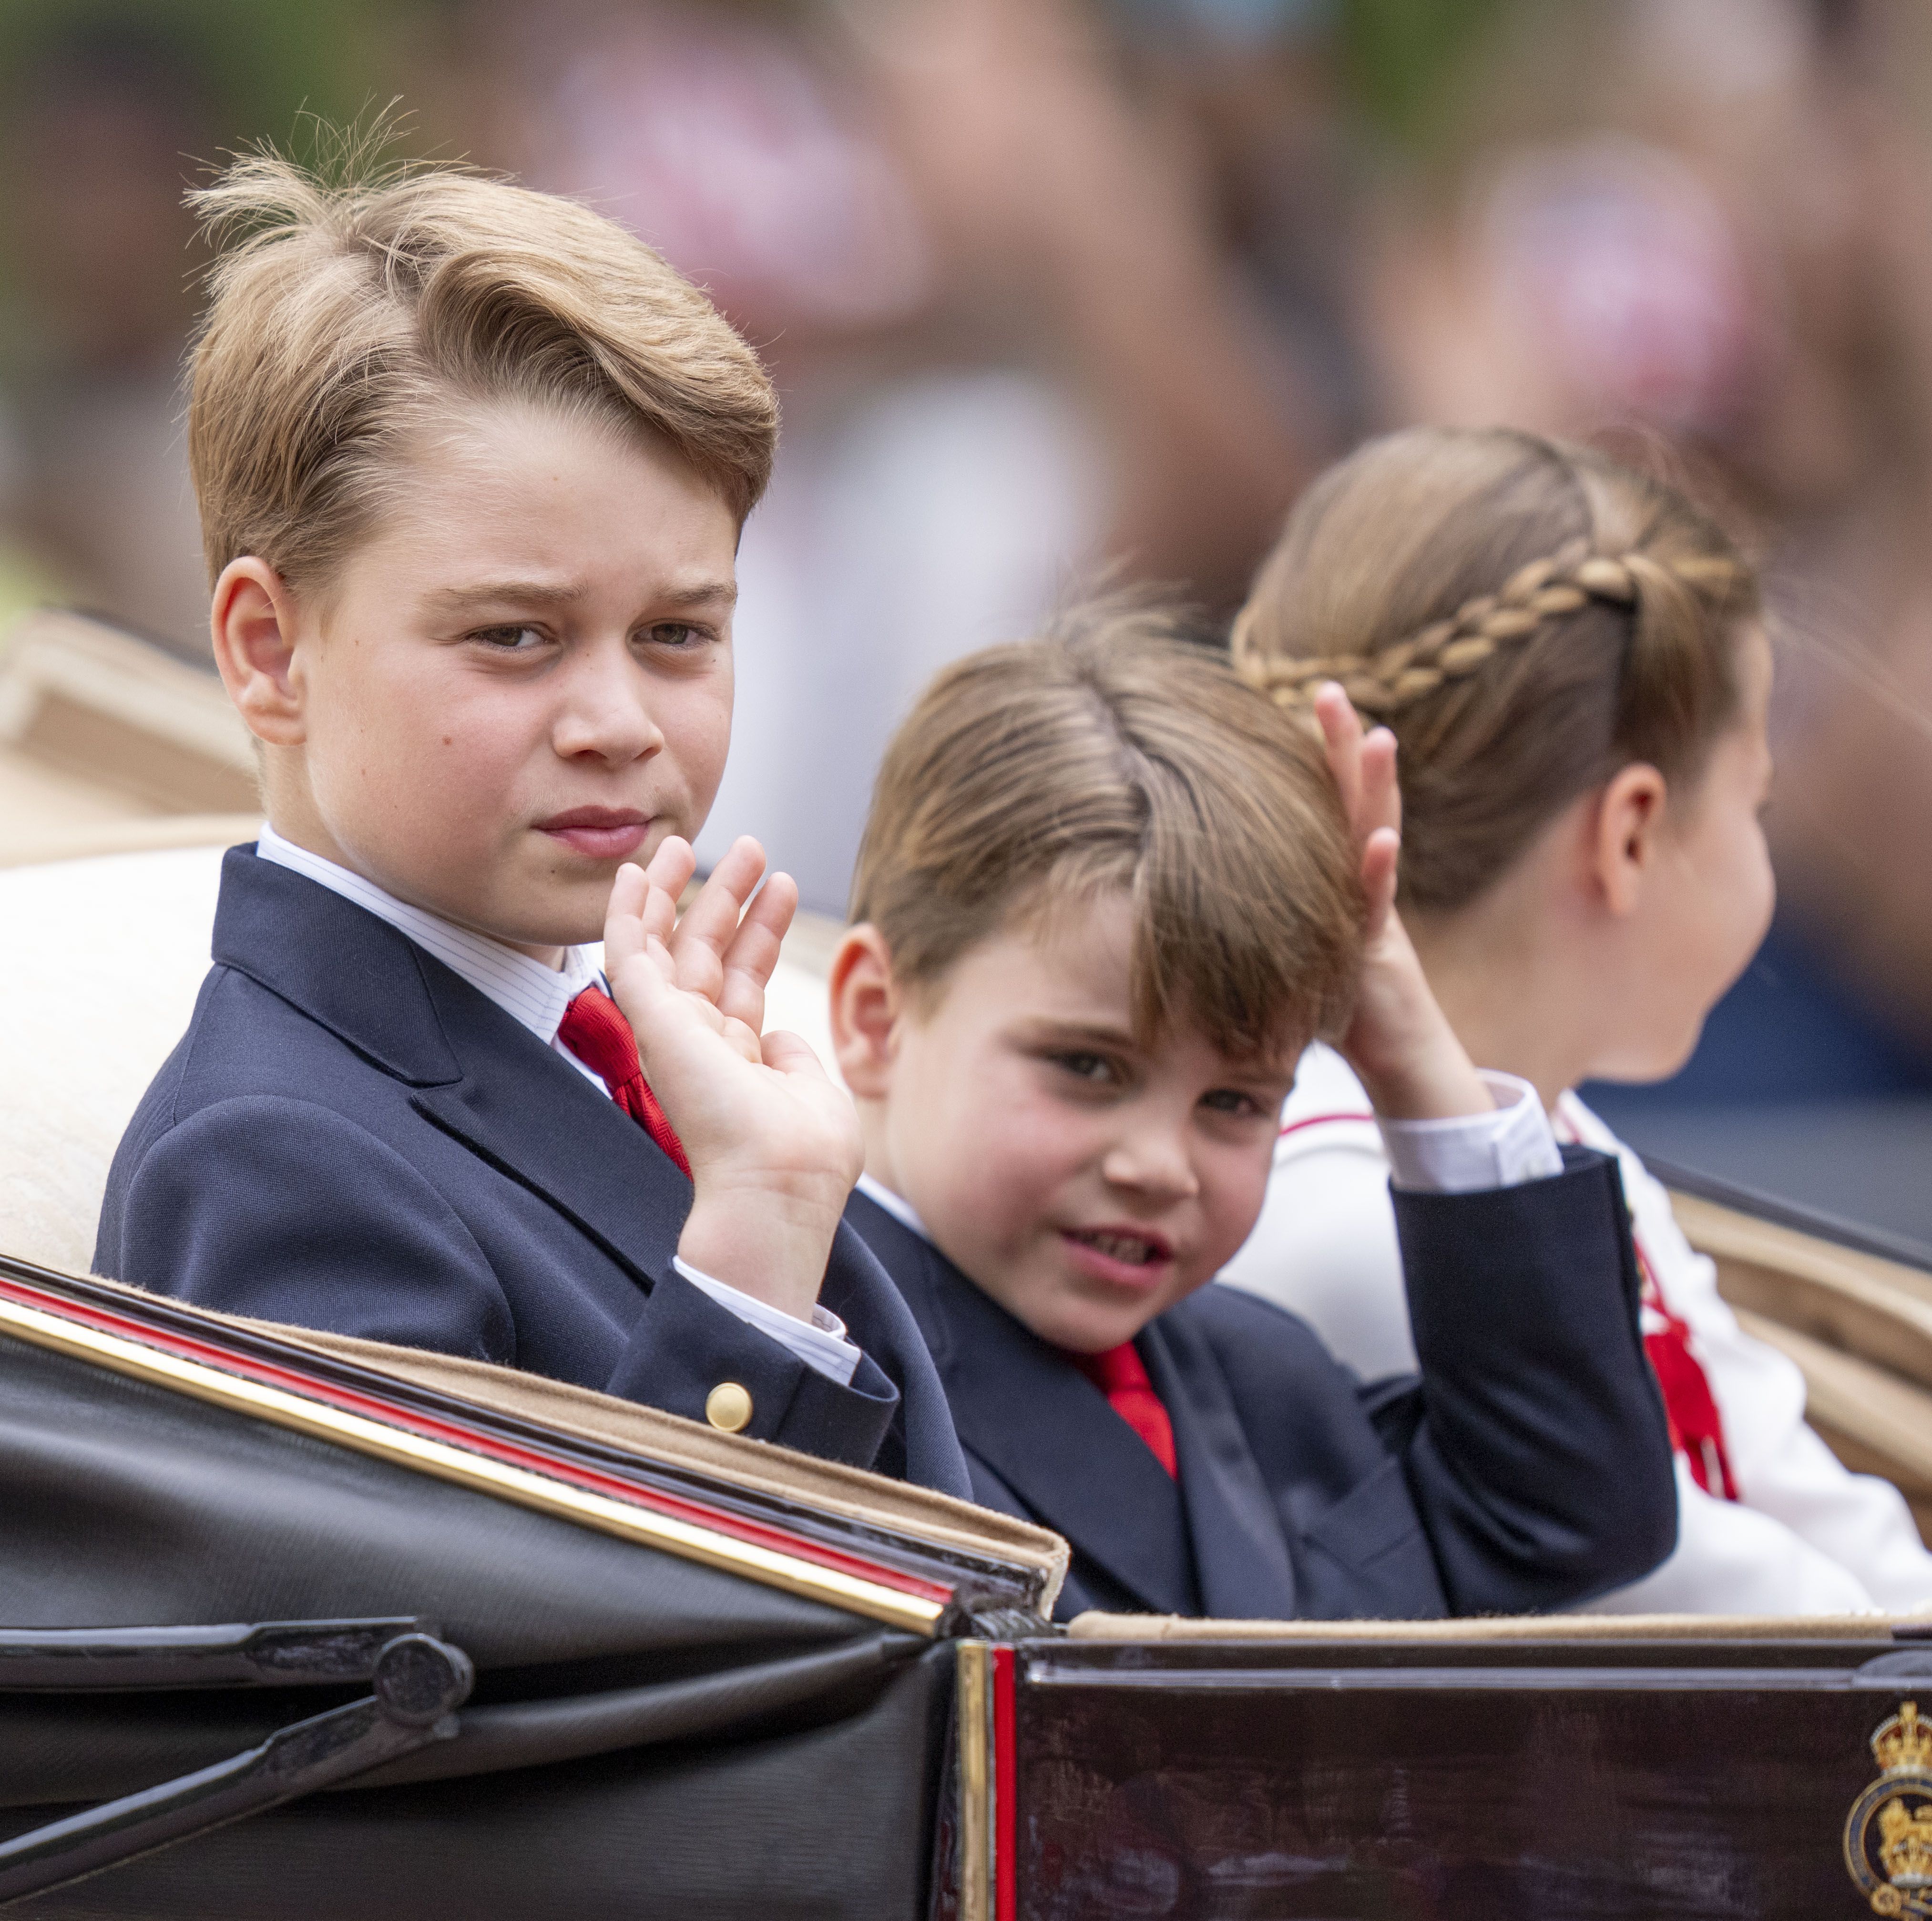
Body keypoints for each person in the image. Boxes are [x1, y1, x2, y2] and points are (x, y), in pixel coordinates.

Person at [92, 144, 969, 1498]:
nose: (617, 718)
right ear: (271, 652)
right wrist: (751, 1245)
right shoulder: (272, 1157)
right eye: (514, 636)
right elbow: (475, 1686)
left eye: (678, 631)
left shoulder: (658, 1040)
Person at [827, 602, 1677, 1621]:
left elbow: (1564, 1514)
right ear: (876, 1016)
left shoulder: (1263, 1377)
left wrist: (1400, 1029)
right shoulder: (821, 1360)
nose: (1159, 1164)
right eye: (1088, 1067)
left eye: (1234, 1098)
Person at [1223, 422, 1932, 1613]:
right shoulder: (1336, 1205)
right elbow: (1783, 1644)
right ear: (1630, 833)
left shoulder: (1554, 1134)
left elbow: (1846, 1544)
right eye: (1749, 802)